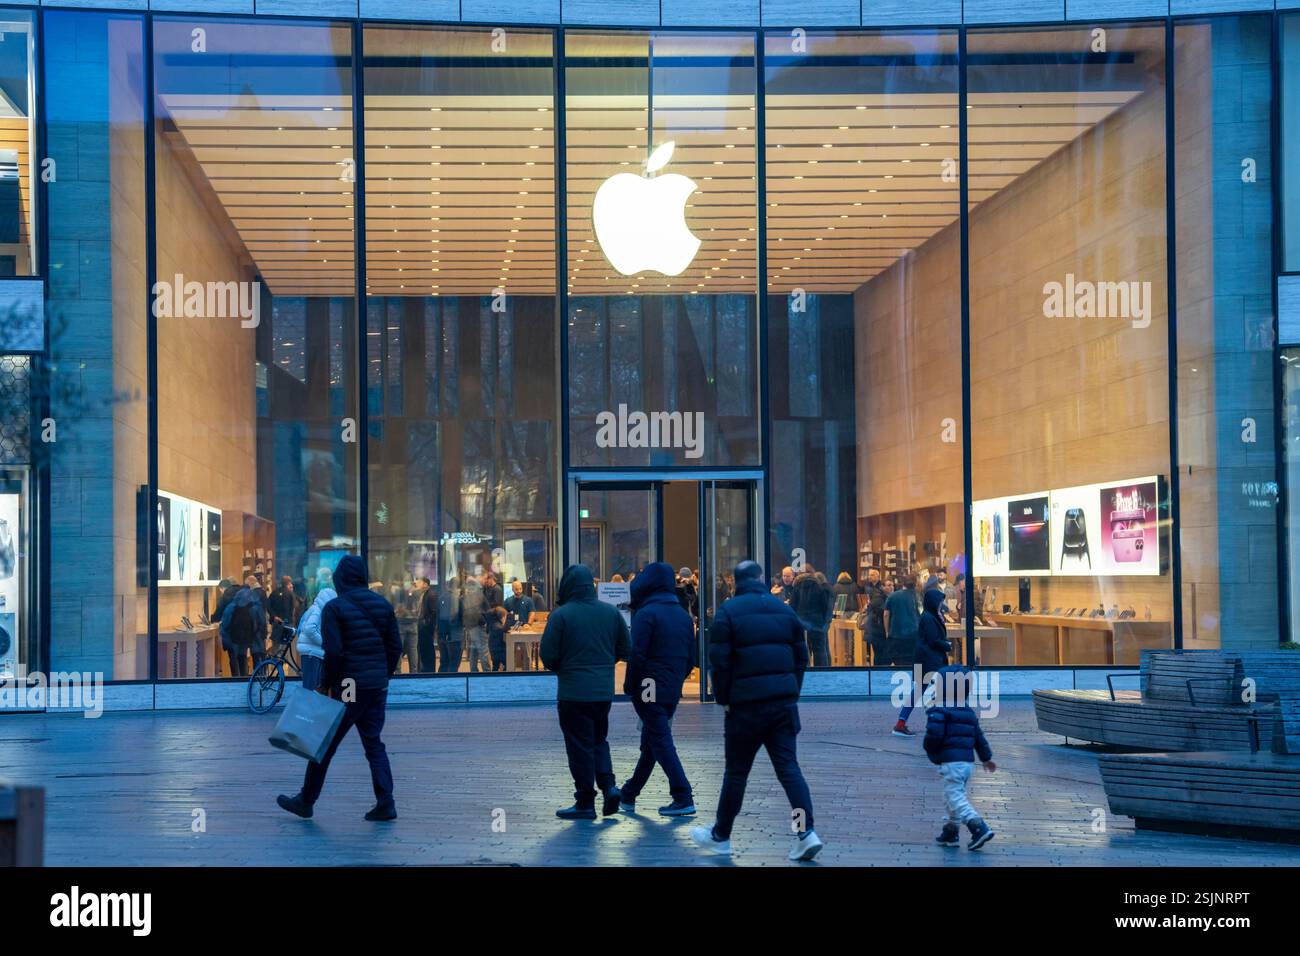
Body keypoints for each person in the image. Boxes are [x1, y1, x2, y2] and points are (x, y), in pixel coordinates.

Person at [690, 560, 823, 862]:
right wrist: (792, 691)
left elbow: (719, 662)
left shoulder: (728, 613)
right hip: (783, 705)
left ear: (736, 582)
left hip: (745, 707)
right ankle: (805, 832)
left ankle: (721, 836)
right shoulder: (784, 610)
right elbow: (801, 657)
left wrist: (724, 698)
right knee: (789, 769)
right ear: (761, 579)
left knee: (736, 773)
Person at [277, 554, 401, 822]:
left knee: (325, 740)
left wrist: (325, 685)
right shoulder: (383, 605)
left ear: (340, 578)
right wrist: (384, 674)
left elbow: (334, 653)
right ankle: (386, 801)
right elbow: (396, 648)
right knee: (373, 744)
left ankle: (306, 800)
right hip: (376, 685)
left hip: (349, 684)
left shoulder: (335, 608)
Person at [540, 564, 631, 821]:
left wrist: (565, 667)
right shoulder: (610, 613)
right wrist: (604, 664)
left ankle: (585, 803)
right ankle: (609, 787)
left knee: (579, 746)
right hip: (602, 692)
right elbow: (627, 649)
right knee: (599, 740)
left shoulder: (561, 616)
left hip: (573, 692)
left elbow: (548, 655)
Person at [616, 562, 695, 817]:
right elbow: (691, 656)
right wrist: (676, 680)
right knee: (652, 741)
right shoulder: (682, 615)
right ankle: (628, 794)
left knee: (659, 739)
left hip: (648, 686)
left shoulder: (646, 614)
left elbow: (636, 655)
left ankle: (683, 795)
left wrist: (630, 686)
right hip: (671, 687)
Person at [924, 665, 997, 850]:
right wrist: (986, 758)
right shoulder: (968, 711)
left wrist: (930, 749)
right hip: (967, 763)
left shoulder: (939, 710)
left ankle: (977, 826)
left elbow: (934, 735)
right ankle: (951, 831)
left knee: (955, 797)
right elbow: (978, 737)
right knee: (953, 795)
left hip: (951, 762)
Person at [885, 576, 922, 736]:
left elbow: (886, 614)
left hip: (896, 634)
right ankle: (909, 685)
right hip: (913, 634)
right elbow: (921, 613)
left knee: (898, 661)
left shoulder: (893, 596)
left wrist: (887, 631)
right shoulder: (917, 596)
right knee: (912, 664)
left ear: (901, 584)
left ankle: (899, 688)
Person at [221, 574, 268, 677]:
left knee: (239, 660)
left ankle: (239, 679)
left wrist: (226, 643)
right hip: (254, 637)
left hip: (237, 639)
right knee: (257, 660)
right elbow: (262, 621)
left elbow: (225, 625)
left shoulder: (233, 605)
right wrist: (263, 635)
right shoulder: (256, 604)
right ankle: (256, 679)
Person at [295, 587, 336, 692]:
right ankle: (307, 708)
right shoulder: (317, 611)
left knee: (312, 687)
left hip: (312, 652)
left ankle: (310, 707)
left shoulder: (316, 609)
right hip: (311, 653)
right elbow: (309, 629)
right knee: (310, 687)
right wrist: (323, 642)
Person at [791, 567, 832, 668]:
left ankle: (806, 672)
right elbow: (824, 605)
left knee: (803, 649)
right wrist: (825, 622)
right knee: (819, 650)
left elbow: (793, 606)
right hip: (817, 622)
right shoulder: (819, 586)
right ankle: (821, 674)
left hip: (801, 622)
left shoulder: (797, 587)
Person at [859, 568, 888, 666]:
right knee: (880, 655)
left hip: (874, 627)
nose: (869, 577)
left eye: (872, 575)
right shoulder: (869, 588)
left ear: (877, 576)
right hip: (876, 627)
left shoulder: (880, 588)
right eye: (869, 575)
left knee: (879, 654)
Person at [462, 573, 488, 672]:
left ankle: (473, 671)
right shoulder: (478, 595)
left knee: (474, 650)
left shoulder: (466, 596)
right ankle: (486, 673)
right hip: (479, 626)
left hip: (470, 626)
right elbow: (486, 609)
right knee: (483, 650)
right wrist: (484, 621)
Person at [438, 577, 462, 672]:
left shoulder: (441, 598)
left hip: (442, 635)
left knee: (444, 662)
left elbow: (438, 616)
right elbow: (460, 616)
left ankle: (441, 683)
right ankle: (451, 685)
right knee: (454, 663)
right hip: (455, 636)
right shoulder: (457, 599)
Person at [415, 578, 438, 673]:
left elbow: (433, 612)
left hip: (426, 628)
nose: (416, 584)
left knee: (427, 649)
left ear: (425, 584)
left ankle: (428, 670)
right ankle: (425, 669)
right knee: (423, 648)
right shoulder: (424, 594)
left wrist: (426, 623)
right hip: (423, 626)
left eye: (419, 582)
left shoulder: (431, 595)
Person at [486, 604, 508, 672]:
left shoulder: (492, 624)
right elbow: (503, 640)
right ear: (502, 617)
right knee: (508, 664)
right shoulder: (499, 627)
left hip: (494, 651)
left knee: (495, 666)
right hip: (500, 652)